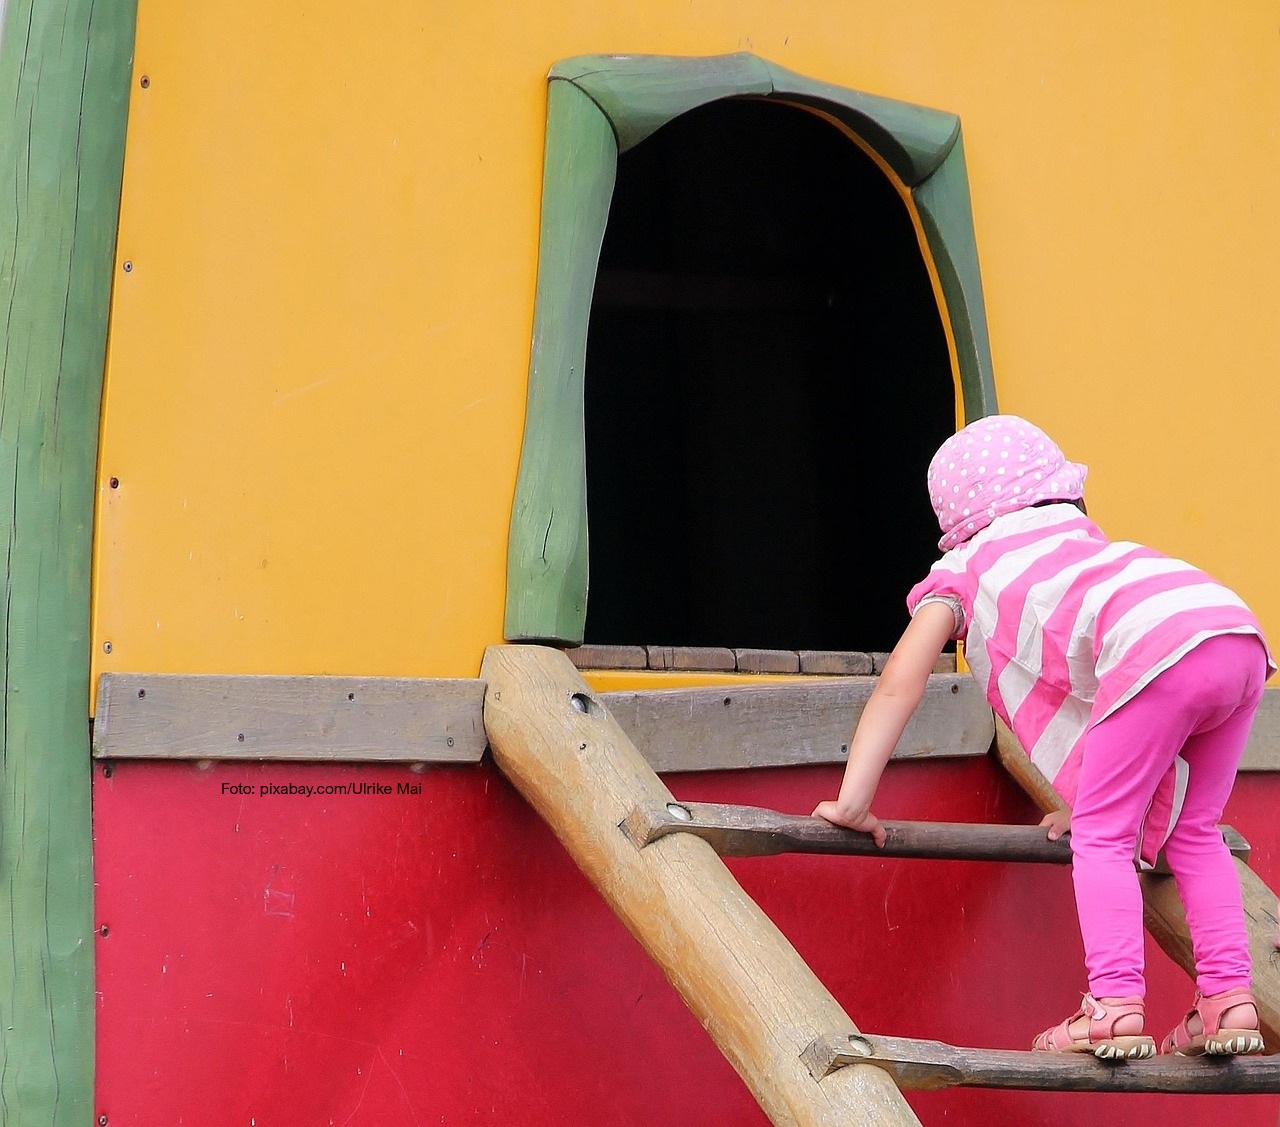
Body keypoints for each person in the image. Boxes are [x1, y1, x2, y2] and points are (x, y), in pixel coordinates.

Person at [814, 415, 1273, 1059]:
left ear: (957, 519)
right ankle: (1228, 1002)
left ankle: (1115, 1007)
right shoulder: (1080, 541)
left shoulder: (964, 570)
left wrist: (854, 800)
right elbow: (1118, 710)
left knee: (1103, 837)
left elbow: (899, 684)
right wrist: (1087, 800)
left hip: (1156, 649)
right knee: (1196, 832)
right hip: (1235, 634)